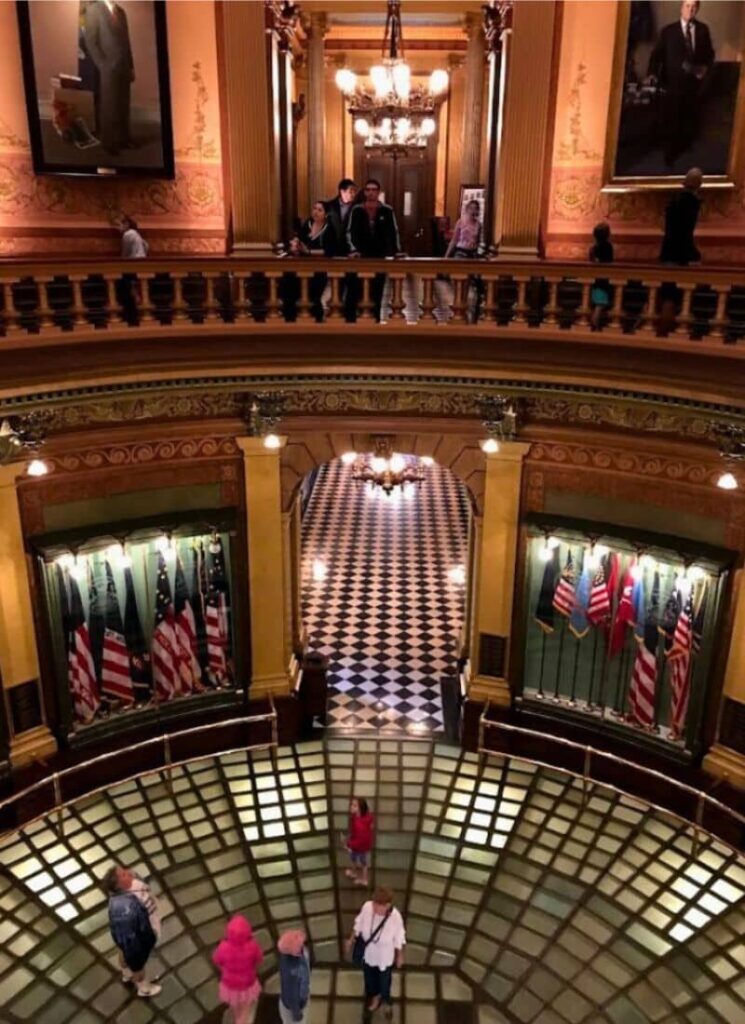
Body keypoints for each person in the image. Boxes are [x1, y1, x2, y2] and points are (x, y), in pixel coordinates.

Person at [647, 1, 714, 167]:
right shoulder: (668, 31)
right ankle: (669, 155)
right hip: (672, 83)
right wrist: (653, 74)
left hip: (694, 84)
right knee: (672, 119)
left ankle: (685, 146)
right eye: (687, 6)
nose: (690, 10)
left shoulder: (703, 30)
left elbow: (709, 54)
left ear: (697, 9)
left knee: (688, 116)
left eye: (693, 7)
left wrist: (704, 68)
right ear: (681, 7)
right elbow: (657, 56)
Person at [83, 0, 135, 155]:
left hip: (124, 66)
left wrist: (131, 67)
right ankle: (109, 143)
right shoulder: (93, 10)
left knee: (123, 105)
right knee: (109, 105)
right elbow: (90, 41)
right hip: (107, 68)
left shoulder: (121, 12)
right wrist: (102, 65)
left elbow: (127, 42)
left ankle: (124, 139)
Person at [347, 179, 403, 321]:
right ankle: (356, 320)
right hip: (361, 257)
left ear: (378, 192)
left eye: (374, 190)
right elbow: (349, 232)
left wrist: (396, 251)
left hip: (379, 257)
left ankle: (376, 319)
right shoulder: (357, 210)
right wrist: (353, 249)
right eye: (368, 189)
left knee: (377, 291)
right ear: (365, 192)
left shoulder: (387, 210)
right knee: (358, 291)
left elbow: (393, 232)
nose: (371, 192)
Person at [346, 886, 406, 1019]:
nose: (375, 908)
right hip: (369, 954)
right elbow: (359, 923)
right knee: (369, 981)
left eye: (379, 906)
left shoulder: (395, 916)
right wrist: (351, 940)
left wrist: (399, 955)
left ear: (387, 905)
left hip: (385, 956)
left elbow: (399, 936)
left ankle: (385, 1001)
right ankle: (373, 998)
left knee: (385, 983)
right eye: (374, 904)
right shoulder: (367, 907)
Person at [103, 864, 161, 998]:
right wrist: (136, 963)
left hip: (143, 928)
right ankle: (143, 988)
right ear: (119, 885)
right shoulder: (124, 909)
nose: (128, 872)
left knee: (123, 952)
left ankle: (127, 974)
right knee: (137, 964)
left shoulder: (130, 886)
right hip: (140, 936)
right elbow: (129, 941)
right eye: (123, 874)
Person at [659, 167, 703, 333]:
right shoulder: (690, 203)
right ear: (699, 184)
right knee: (672, 297)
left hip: (667, 252)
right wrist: (695, 254)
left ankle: (660, 332)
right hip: (679, 255)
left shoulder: (673, 201)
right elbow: (685, 233)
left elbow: (669, 229)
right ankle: (665, 333)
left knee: (666, 294)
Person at [289, 201, 337, 321]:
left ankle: (318, 321)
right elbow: (299, 238)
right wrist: (295, 245)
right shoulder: (308, 224)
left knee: (316, 296)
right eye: (314, 208)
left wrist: (309, 252)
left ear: (326, 214)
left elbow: (330, 251)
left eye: (320, 210)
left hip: (320, 267)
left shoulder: (329, 228)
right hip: (303, 266)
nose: (316, 212)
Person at [212, 915, 264, 1024]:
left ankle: (237, 1018)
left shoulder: (223, 947)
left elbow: (217, 960)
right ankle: (242, 1021)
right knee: (246, 1005)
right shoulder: (253, 946)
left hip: (230, 984)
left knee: (235, 1005)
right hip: (247, 982)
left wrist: (225, 970)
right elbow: (259, 960)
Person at [278, 929, 311, 1024]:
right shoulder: (292, 971)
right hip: (295, 1005)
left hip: (294, 999)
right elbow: (292, 994)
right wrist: (297, 1015)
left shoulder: (298, 953)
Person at [589, 221, 614, 330]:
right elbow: (609, 261)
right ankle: (594, 324)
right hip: (603, 279)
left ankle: (595, 323)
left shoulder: (594, 247)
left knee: (597, 303)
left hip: (595, 279)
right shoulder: (608, 246)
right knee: (600, 304)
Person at [346, 796, 374, 887]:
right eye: (352, 804)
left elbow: (361, 839)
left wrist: (349, 844)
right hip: (358, 844)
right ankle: (353, 872)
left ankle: (364, 879)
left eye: (354, 806)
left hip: (360, 846)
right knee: (354, 858)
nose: (351, 807)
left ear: (360, 808)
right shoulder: (358, 817)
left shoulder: (359, 823)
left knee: (362, 862)